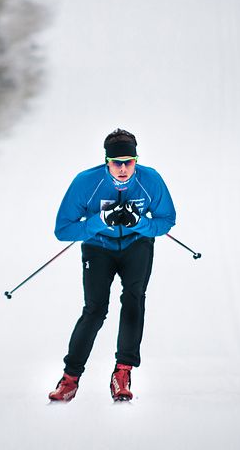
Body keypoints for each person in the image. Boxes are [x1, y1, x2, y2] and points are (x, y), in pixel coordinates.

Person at [48, 128, 176, 402]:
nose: (122, 169)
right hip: (99, 247)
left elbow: (166, 220)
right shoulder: (86, 182)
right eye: (116, 163)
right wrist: (101, 220)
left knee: (133, 299)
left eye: (129, 162)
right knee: (95, 310)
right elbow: (63, 230)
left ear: (136, 160)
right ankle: (69, 379)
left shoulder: (150, 180)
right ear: (106, 161)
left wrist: (138, 222)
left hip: (136, 244)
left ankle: (122, 372)